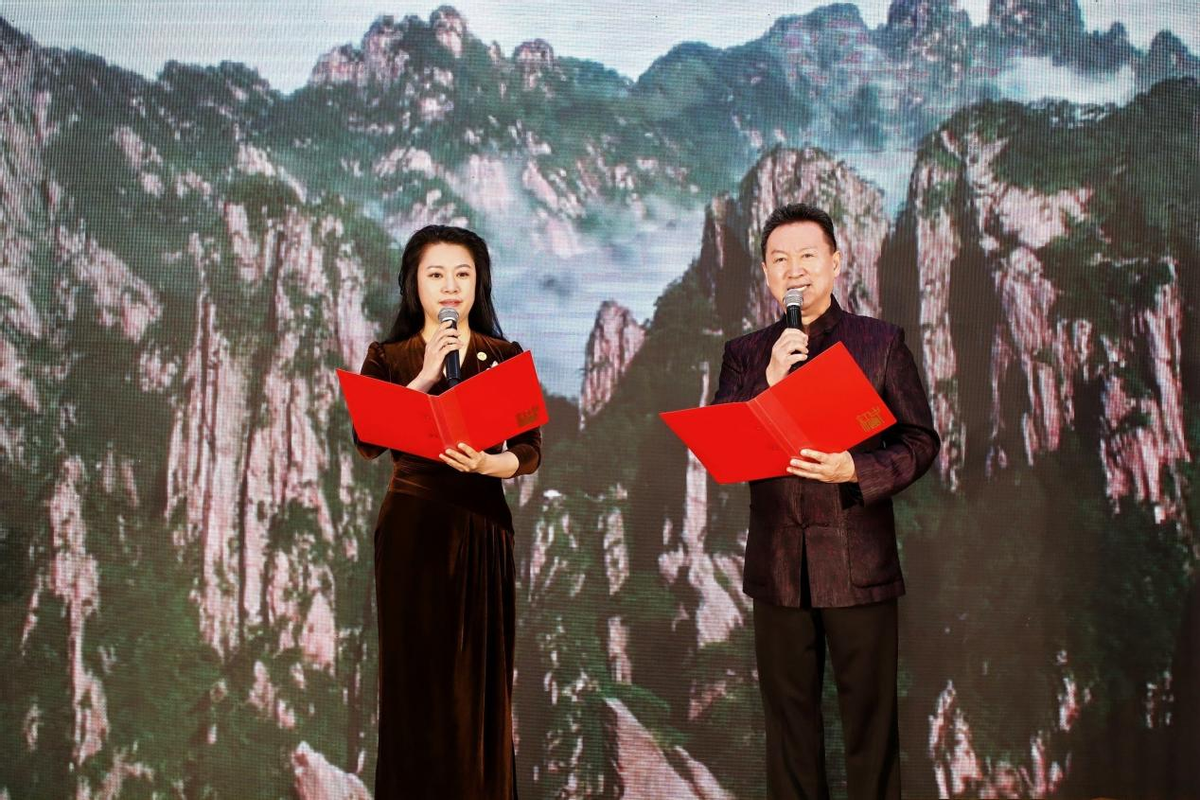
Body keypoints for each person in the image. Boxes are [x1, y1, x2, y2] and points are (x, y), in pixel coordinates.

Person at [713, 203, 940, 800]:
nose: (795, 270)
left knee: (871, 726)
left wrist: (856, 469)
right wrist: (768, 380)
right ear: (766, 273)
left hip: (858, 563)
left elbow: (921, 441)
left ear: (836, 263)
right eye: (780, 259)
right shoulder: (745, 354)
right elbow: (724, 442)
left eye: (808, 256)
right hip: (778, 568)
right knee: (789, 730)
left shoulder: (879, 342)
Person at [352, 224, 541, 799]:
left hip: (482, 527)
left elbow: (529, 451)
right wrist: (426, 378)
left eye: (463, 274)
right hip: (412, 528)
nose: (450, 286)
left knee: (477, 686)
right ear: (414, 284)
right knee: (413, 679)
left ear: (480, 283)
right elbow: (367, 440)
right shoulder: (388, 357)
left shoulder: (504, 357)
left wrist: (489, 464)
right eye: (436, 274)